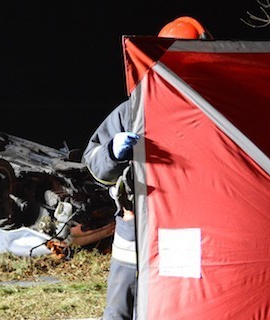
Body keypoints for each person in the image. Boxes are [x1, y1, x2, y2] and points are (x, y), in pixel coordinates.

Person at [82, 16, 211, 320]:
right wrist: (112, 152)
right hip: (135, 224)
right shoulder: (136, 108)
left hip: (186, 230)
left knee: (174, 308)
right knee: (120, 311)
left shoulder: (213, 112)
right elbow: (95, 163)